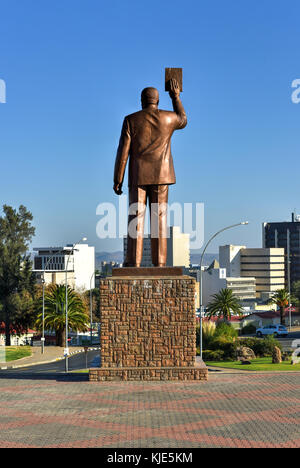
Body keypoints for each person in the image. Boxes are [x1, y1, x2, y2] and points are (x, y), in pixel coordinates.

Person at [113, 79, 187, 267]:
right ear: (158, 101)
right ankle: (160, 263)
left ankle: (133, 262)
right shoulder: (168, 118)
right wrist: (176, 97)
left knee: (135, 218)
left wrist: (118, 179)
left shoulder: (131, 120)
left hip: (138, 175)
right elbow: (183, 119)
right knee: (159, 218)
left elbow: (123, 152)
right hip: (162, 175)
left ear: (142, 101)